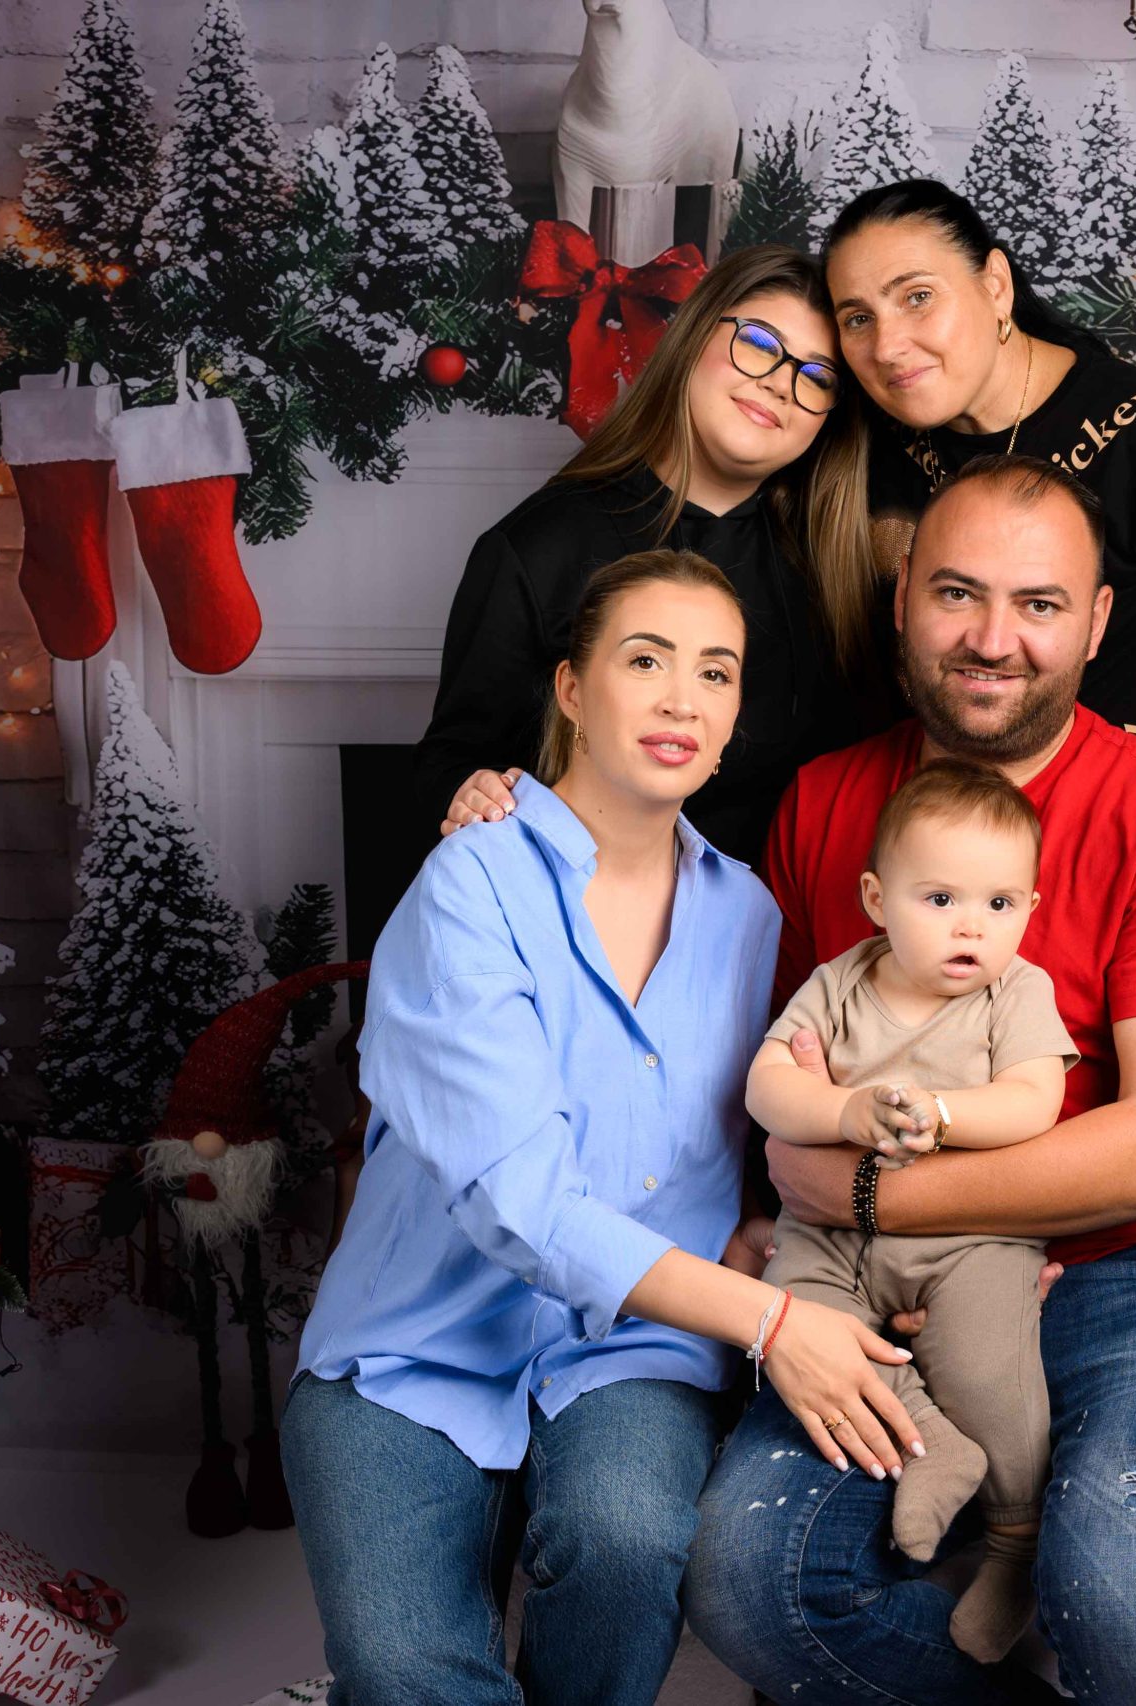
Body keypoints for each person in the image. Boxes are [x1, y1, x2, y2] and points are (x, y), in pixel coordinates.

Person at [687, 457, 1136, 1705]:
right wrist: (796, 1229)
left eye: (1038, 603)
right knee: (752, 1581)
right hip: (882, 1283)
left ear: (1097, 622)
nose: (991, 638)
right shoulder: (826, 799)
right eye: (956, 592)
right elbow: (790, 1069)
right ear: (903, 596)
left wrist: (870, 1196)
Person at [284, 551, 926, 1706]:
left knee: (630, 1537)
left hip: (635, 1347)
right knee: (398, 1665)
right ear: (573, 688)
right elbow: (521, 1204)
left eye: (716, 671)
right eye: (646, 660)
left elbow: (773, 1135)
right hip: (411, 1342)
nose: (683, 698)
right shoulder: (467, 883)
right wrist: (773, 1319)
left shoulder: (752, 914)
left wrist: (852, 1255)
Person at [822, 178, 1136, 823]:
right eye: (857, 318)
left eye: (918, 297)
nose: (887, 346)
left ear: (995, 285)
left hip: (1110, 832)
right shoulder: (858, 439)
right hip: (913, 838)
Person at [745, 758, 1078, 1662]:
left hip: (971, 1240)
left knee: (989, 1368)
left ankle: (1014, 1539)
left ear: (1030, 909)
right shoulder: (838, 983)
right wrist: (844, 1112)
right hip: (828, 1236)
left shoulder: (1017, 993)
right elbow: (768, 1086)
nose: (973, 926)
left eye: (1000, 904)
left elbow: (1034, 1101)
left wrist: (942, 1116)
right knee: (799, 1328)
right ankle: (931, 1441)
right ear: (876, 900)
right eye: (940, 899)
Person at [417, 243, 885, 866]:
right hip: (581, 910)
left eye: (818, 377)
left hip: (782, 918)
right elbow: (451, 762)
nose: (779, 383)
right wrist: (471, 791)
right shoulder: (538, 545)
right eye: (759, 343)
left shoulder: (834, 570)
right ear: (693, 337)